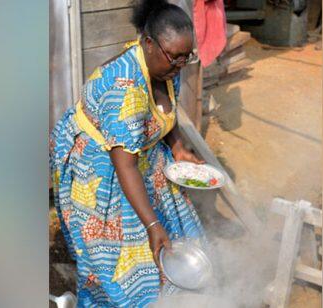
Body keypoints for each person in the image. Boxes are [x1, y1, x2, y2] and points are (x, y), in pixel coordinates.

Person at [49, 0, 206, 306]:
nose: (180, 65)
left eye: (186, 58)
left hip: (135, 152)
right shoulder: (124, 88)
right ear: (148, 43)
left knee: (180, 227)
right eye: (175, 58)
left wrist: (177, 147)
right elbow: (125, 167)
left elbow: (166, 109)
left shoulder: (167, 64)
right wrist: (151, 225)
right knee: (125, 262)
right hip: (96, 165)